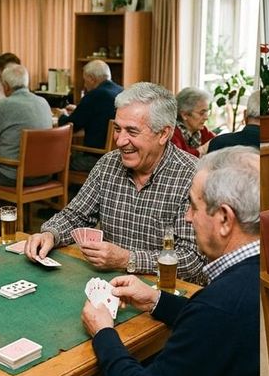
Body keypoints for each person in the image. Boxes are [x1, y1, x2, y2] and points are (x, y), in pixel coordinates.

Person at [46, 146, 260, 376]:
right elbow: (209, 315)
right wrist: (154, 299)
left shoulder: (218, 307)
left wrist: (103, 332)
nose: (187, 217)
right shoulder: (252, 275)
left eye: (194, 206)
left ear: (224, 219)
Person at [24, 82, 206, 283]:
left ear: (163, 134)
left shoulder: (192, 176)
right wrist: (50, 234)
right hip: (111, 287)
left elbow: (192, 260)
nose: (119, 141)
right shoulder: (108, 164)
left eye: (132, 131)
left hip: (165, 293)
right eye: (117, 128)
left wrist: (128, 260)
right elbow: (75, 215)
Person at [0, 63, 53, 187]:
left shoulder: (5, 105)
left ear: (6, 86)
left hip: (15, 174)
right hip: (46, 173)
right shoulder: (43, 102)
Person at [58, 59, 123, 171]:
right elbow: (99, 114)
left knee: (58, 162)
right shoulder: (121, 91)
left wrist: (62, 115)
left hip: (96, 158)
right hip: (118, 158)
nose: (84, 85)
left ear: (92, 79)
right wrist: (78, 109)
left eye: (85, 80)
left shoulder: (95, 95)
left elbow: (70, 125)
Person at [170, 87, 215, 157]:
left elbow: (219, 142)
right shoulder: (172, 134)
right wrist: (202, 149)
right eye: (201, 113)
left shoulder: (202, 131)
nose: (206, 118)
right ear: (184, 114)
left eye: (207, 112)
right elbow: (181, 160)